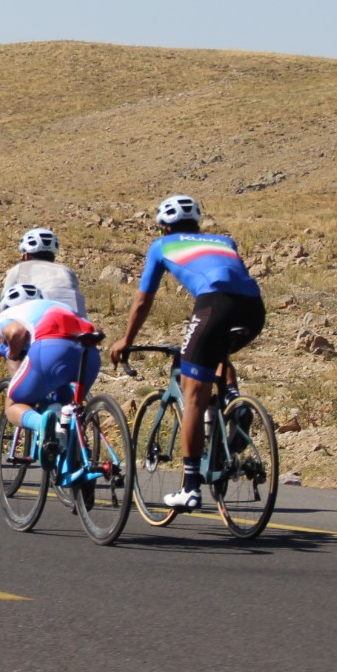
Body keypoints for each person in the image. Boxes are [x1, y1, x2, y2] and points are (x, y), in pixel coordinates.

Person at [111, 195, 266, 511]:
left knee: (193, 396)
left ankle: (190, 487)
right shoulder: (225, 241)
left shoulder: (161, 246)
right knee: (218, 356)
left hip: (214, 306)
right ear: (197, 222)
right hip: (253, 310)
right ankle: (234, 401)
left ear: (163, 227)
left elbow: (143, 301)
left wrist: (126, 340)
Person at [0, 283, 101, 446]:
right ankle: (72, 455)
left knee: (13, 404)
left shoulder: (7, 314)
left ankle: (40, 423)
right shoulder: (62, 307)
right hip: (89, 354)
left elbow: (15, 332)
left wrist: (12, 354)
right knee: (67, 408)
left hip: (50, 349)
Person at [0, 227, 86, 315]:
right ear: (53, 256)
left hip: (46, 313)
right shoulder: (66, 271)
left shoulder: (19, 269)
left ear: (26, 256)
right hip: (77, 314)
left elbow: (6, 302)